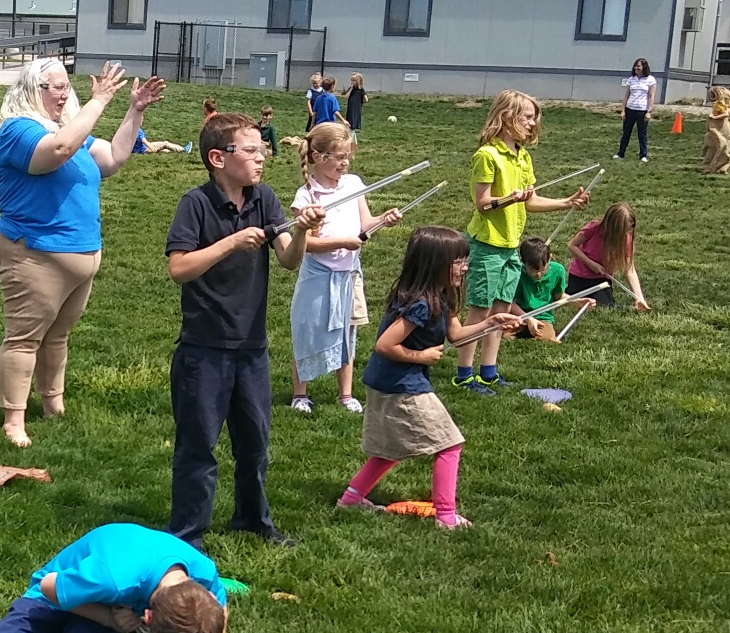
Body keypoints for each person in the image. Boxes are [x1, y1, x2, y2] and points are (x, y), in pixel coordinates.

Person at [166, 111, 322, 547]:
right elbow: (179, 269)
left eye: (262, 149)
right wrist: (231, 242)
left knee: (255, 443)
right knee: (198, 446)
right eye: (251, 150)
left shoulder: (263, 198)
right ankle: (187, 533)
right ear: (218, 158)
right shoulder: (195, 204)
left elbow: (288, 259)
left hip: (252, 346)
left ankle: (253, 520)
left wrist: (302, 232)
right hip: (204, 347)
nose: (261, 157)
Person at [0, 58, 163, 448]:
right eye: (57, 87)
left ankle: (54, 406)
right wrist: (98, 101)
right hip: (34, 252)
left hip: (79, 255)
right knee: (24, 338)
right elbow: (60, 149)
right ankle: (14, 420)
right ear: (33, 90)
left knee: (57, 336)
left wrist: (134, 110)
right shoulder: (18, 130)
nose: (64, 93)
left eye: (67, 86)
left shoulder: (67, 130)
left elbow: (113, 157)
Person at [338, 227, 522, 528]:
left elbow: (457, 336)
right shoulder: (421, 303)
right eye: (458, 262)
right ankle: (446, 517)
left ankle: (351, 499)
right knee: (449, 444)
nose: (465, 267)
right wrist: (420, 356)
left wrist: (492, 322)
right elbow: (385, 345)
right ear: (435, 264)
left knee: (391, 449)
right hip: (400, 384)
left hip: (392, 381)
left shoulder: (441, 295)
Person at [0, 523, 240, 633]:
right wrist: (109, 619)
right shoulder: (114, 578)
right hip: (51, 599)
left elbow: (219, 602)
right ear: (147, 618)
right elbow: (48, 586)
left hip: (106, 608)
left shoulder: (203, 572)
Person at [454, 90, 590, 396]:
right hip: (486, 245)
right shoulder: (487, 155)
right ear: (506, 117)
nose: (532, 123)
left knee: (502, 311)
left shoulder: (523, 156)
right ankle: (463, 375)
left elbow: (530, 200)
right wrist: (508, 199)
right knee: (480, 311)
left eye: (534, 118)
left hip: (510, 247)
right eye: (527, 117)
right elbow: (483, 204)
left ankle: (488, 373)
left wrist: (566, 203)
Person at [287, 121, 385, 415]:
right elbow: (306, 244)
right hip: (318, 275)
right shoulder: (307, 196)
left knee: (347, 334)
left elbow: (365, 224)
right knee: (307, 331)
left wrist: (383, 220)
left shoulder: (353, 184)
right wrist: (344, 241)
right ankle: (300, 394)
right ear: (319, 157)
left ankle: (346, 394)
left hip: (350, 274)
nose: (345, 163)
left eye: (347, 157)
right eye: (340, 157)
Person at [565, 202, 650, 310]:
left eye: (629, 229)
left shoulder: (626, 239)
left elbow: (630, 270)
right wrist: (591, 264)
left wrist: (639, 298)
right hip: (580, 276)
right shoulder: (593, 228)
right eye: (623, 230)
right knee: (574, 302)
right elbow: (572, 245)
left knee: (604, 306)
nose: (626, 233)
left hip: (601, 280)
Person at [511, 236, 592, 338]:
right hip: (517, 315)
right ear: (522, 262)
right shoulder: (516, 273)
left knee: (546, 338)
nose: (538, 275)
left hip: (542, 317)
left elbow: (559, 297)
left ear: (550, 258)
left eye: (542, 270)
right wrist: (528, 319)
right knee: (502, 335)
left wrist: (577, 301)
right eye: (533, 270)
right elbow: (510, 303)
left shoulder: (557, 271)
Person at [616, 57, 658, 162]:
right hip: (630, 109)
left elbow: (651, 96)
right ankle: (620, 153)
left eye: (638, 66)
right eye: (635, 66)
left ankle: (643, 155)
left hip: (642, 111)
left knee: (642, 134)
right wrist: (623, 110)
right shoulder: (631, 79)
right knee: (626, 133)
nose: (636, 68)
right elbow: (626, 96)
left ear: (644, 67)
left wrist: (649, 111)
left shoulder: (650, 80)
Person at [702, 85, 730, 174]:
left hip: (719, 126)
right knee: (715, 145)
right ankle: (718, 166)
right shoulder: (721, 104)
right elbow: (729, 112)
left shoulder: (720, 104)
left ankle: (715, 166)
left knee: (719, 145)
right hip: (721, 126)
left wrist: (714, 117)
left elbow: (726, 114)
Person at [344, 72, 367, 138]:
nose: (352, 82)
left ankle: (351, 138)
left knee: (353, 124)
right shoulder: (350, 89)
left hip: (356, 109)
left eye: (354, 80)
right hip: (350, 108)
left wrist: (362, 99)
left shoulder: (361, 90)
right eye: (351, 80)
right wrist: (351, 89)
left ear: (358, 81)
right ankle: (352, 138)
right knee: (349, 124)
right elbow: (346, 97)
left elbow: (366, 99)